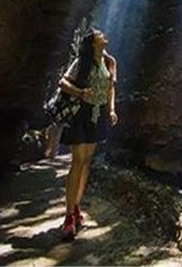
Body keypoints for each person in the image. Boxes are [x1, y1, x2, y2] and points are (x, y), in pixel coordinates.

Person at [57, 27, 118, 240]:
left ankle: (76, 207)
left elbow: (111, 89)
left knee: (86, 162)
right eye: (100, 34)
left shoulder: (110, 62)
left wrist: (111, 109)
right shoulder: (81, 62)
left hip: (98, 114)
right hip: (80, 114)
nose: (104, 35)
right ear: (93, 43)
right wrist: (80, 92)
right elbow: (63, 82)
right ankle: (68, 217)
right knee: (78, 160)